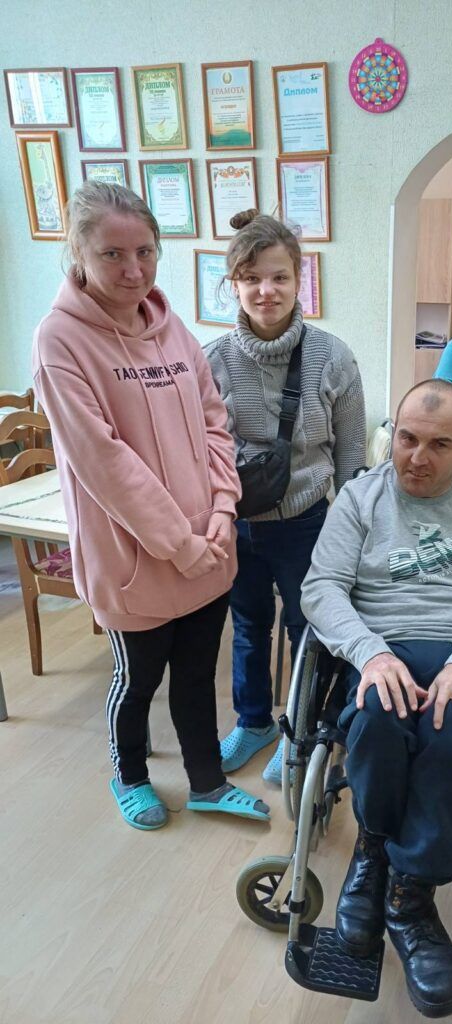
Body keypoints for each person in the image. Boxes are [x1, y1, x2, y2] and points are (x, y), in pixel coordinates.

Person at [32, 182, 268, 831]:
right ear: (78, 253)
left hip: (208, 546)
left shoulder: (171, 328)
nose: (133, 270)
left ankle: (207, 783)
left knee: (195, 676)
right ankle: (130, 775)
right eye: (112, 254)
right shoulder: (59, 341)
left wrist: (222, 509)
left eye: (145, 252)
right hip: (135, 559)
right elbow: (103, 463)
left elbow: (215, 422)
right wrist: (179, 544)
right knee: (137, 681)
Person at [301, 380, 452, 1018]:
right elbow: (322, 587)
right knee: (379, 714)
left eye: (438, 445)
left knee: (450, 726)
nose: (417, 457)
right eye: (406, 439)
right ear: (392, 435)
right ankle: (377, 847)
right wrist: (370, 653)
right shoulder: (361, 498)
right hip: (382, 645)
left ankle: (409, 896)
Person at [205, 211, 366, 781]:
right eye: (251, 279)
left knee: (309, 628)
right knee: (248, 627)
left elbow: (351, 453)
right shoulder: (212, 360)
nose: (265, 291)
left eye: (279, 277)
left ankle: (304, 728)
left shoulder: (333, 356)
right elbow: (200, 453)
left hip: (307, 521)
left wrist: (352, 532)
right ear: (234, 284)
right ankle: (254, 723)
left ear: (301, 280)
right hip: (236, 521)